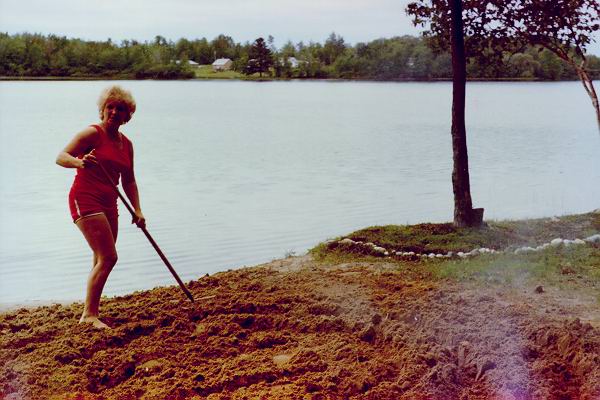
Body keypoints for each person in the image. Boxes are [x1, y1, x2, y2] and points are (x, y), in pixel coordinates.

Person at [56, 86, 145, 329]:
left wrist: (138, 211)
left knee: (100, 257)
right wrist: (80, 162)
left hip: (109, 202)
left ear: (127, 116)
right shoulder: (92, 134)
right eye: (110, 107)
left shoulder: (127, 144)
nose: (114, 112)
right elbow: (61, 156)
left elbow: (129, 180)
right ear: (103, 110)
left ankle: (91, 309)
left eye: (121, 109)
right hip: (85, 197)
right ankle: (89, 315)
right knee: (109, 257)